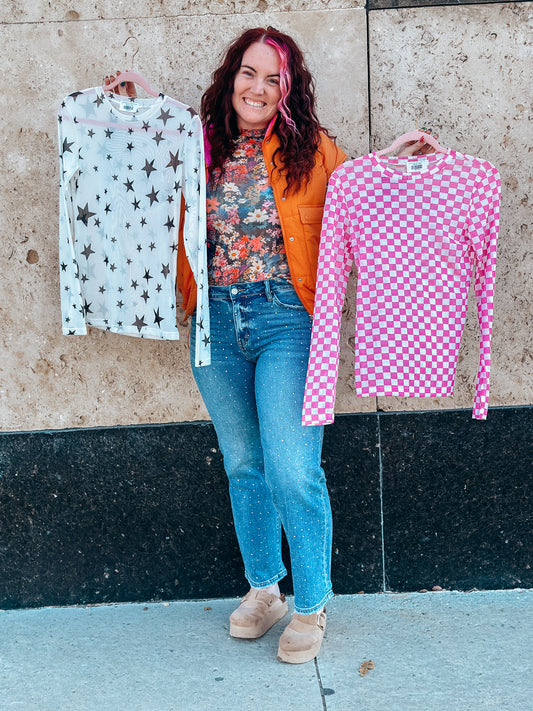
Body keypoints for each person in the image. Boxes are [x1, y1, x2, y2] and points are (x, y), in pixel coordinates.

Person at [105, 27, 435, 665]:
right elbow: (136, 153)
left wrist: (405, 162)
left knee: (291, 468)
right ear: (232, 78)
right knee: (244, 466)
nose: (258, 88)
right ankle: (266, 590)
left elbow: (369, 196)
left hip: (288, 320)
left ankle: (311, 603)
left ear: (289, 89)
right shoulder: (195, 144)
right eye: (249, 73)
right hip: (214, 322)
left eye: (273, 78)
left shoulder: (314, 151)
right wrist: (134, 100)